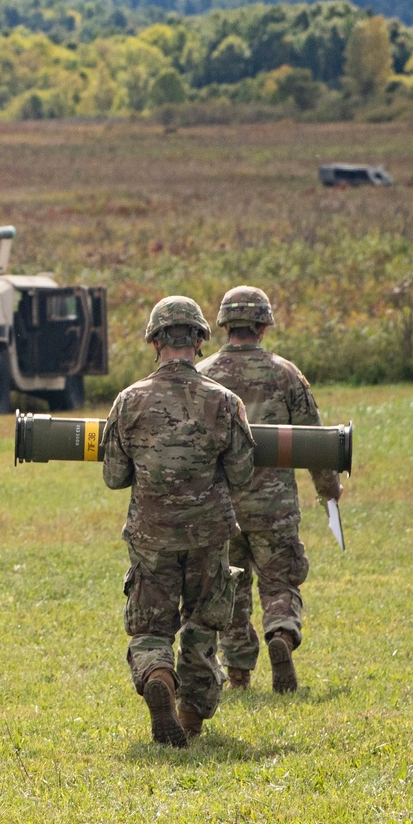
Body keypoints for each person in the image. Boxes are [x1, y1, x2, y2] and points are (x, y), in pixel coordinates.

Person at [102, 296, 255, 747]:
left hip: (151, 535)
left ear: (154, 340)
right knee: (203, 624)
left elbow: (113, 476)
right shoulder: (226, 402)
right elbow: (243, 473)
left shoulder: (128, 400)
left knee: (151, 627)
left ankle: (157, 676)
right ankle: (190, 715)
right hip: (209, 533)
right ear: (200, 340)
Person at [198, 285, 342, 694]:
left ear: (225, 325)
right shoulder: (285, 373)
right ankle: (280, 632)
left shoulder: (204, 376)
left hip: (222, 506)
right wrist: (328, 488)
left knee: (232, 586)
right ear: (263, 325)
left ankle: (239, 674)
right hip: (274, 505)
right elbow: (314, 441)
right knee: (280, 580)